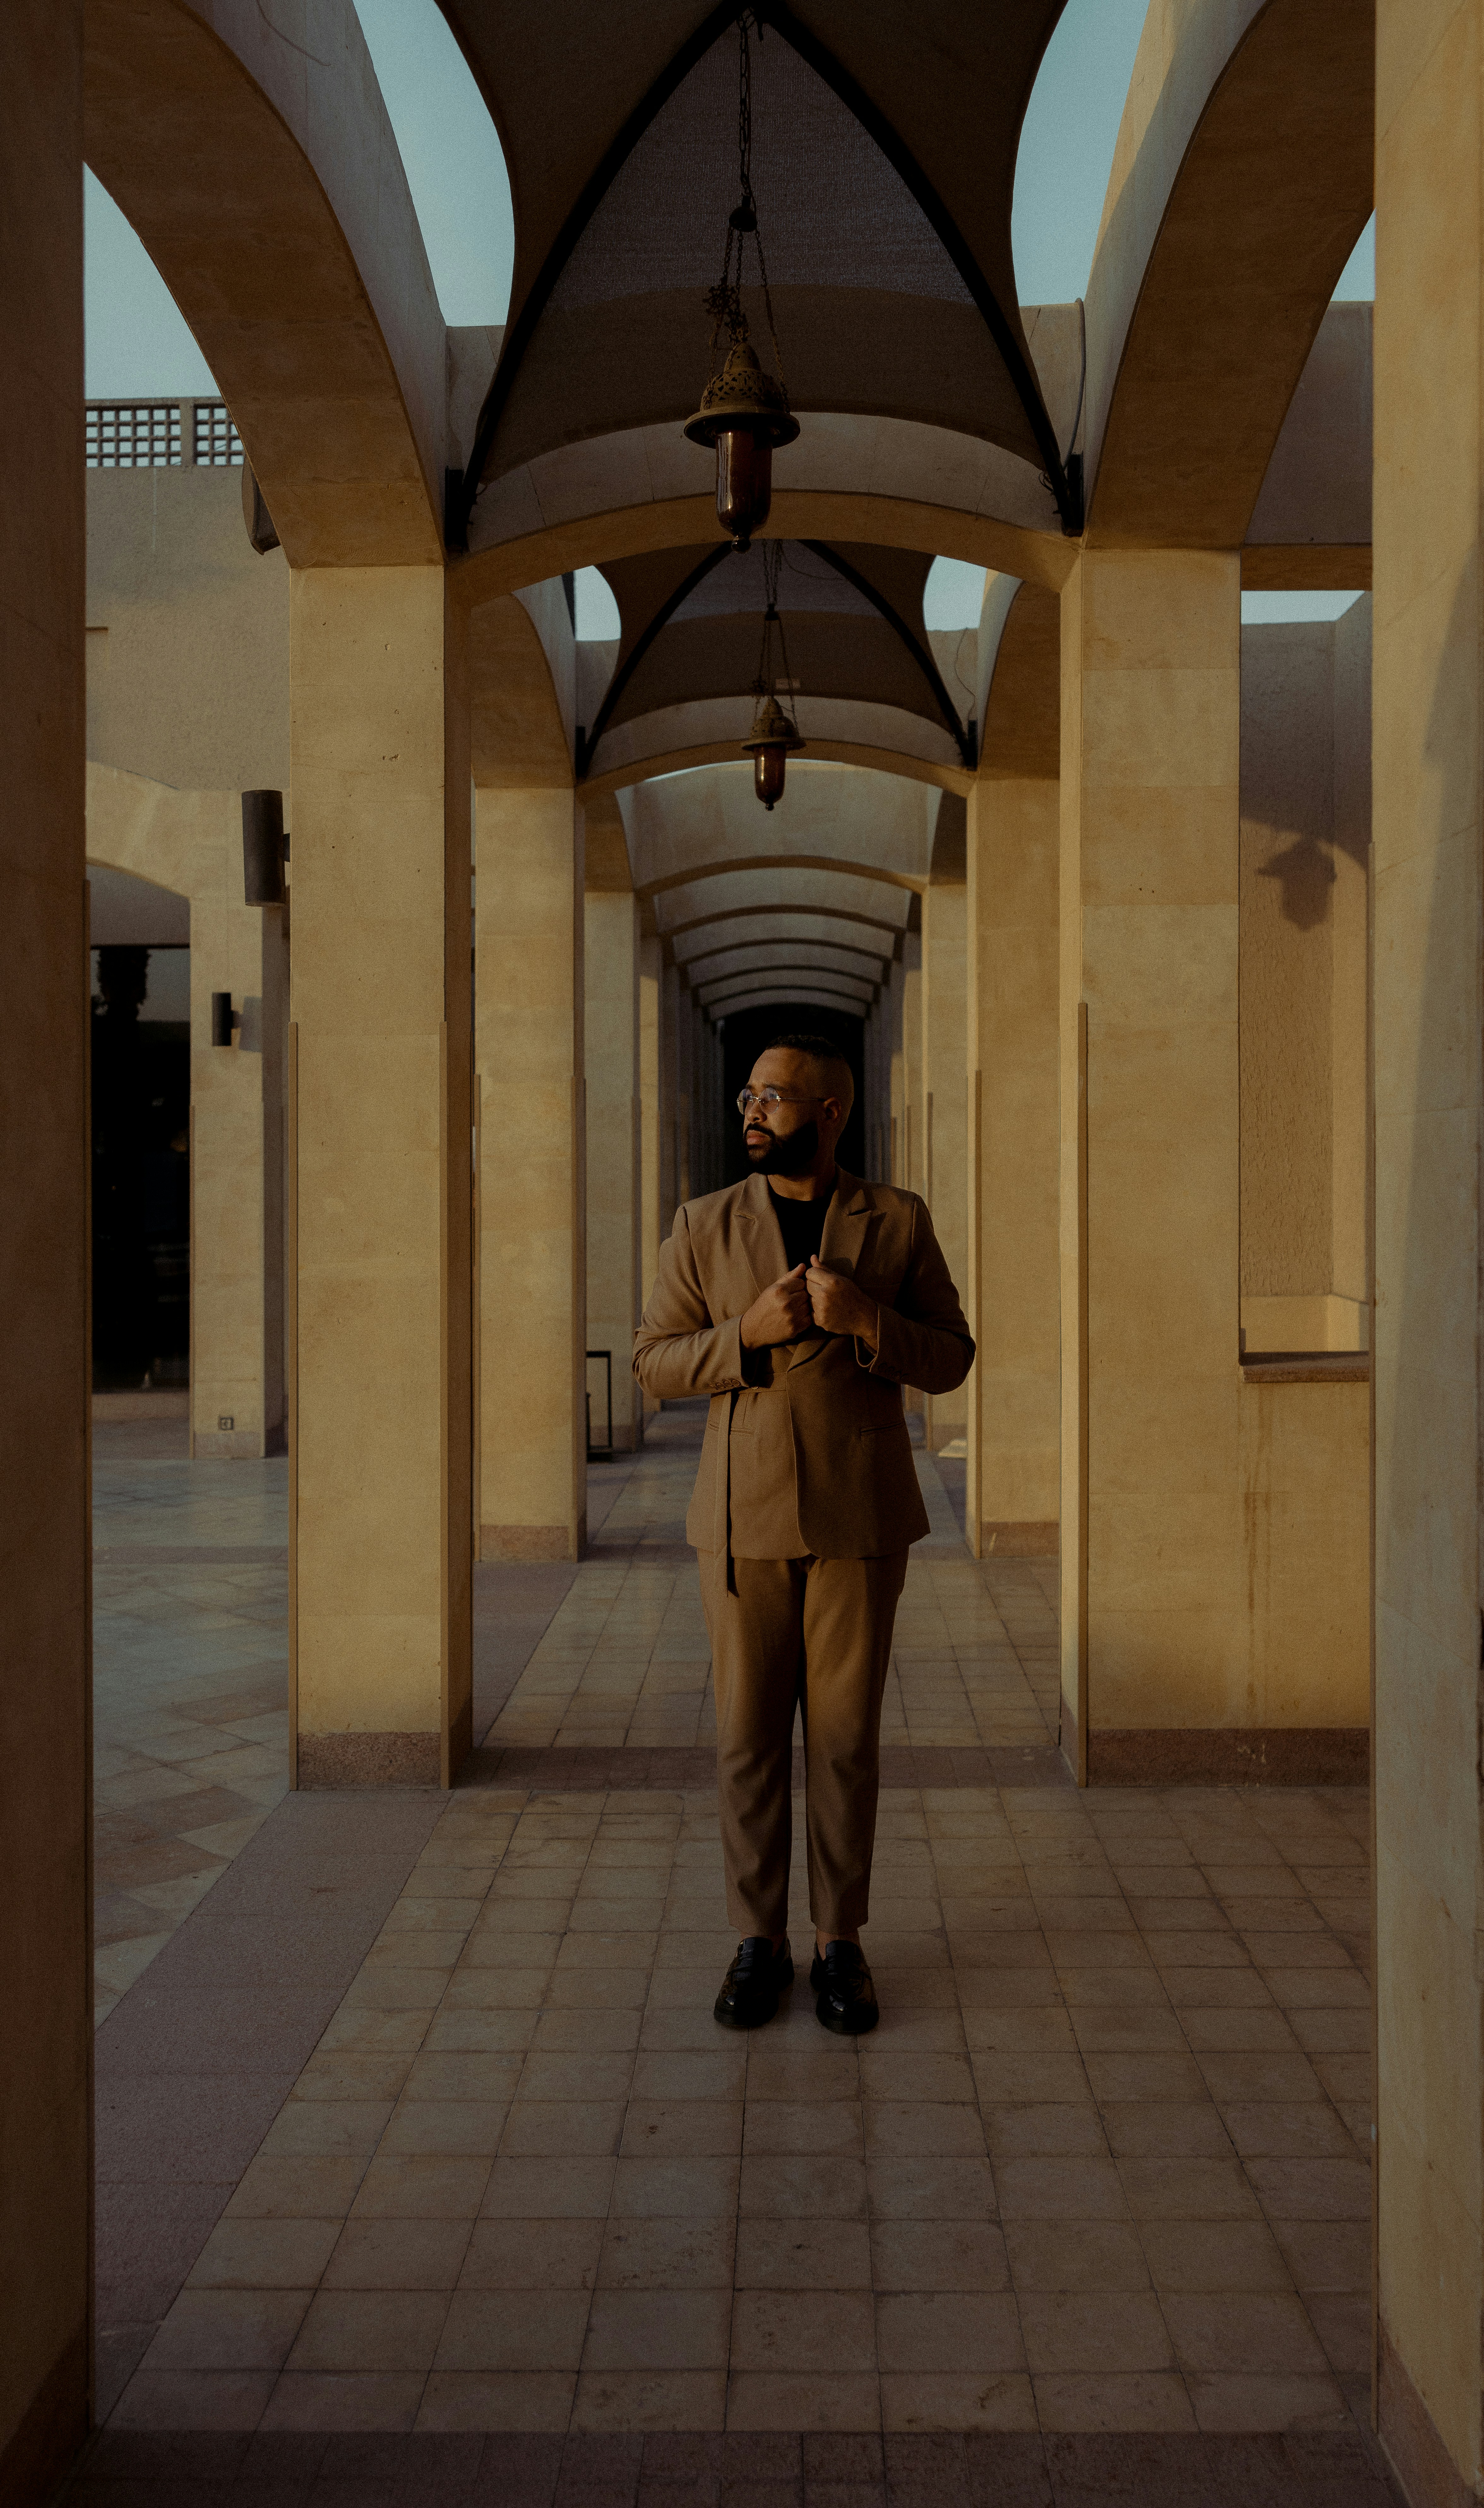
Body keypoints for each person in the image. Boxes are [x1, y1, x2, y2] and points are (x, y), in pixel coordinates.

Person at [633, 1034, 974, 2036]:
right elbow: (654, 1362)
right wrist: (748, 1334)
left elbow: (951, 1357)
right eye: (748, 1094)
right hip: (742, 1520)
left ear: (830, 1112)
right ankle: (757, 1941)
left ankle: (840, 1942)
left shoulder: (896, 1219)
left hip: (862, 1517)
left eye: (775, 1098)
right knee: (746, 1740)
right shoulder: (703, 1225)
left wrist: (867, 1316)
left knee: (845, 1742)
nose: (754, 1109)